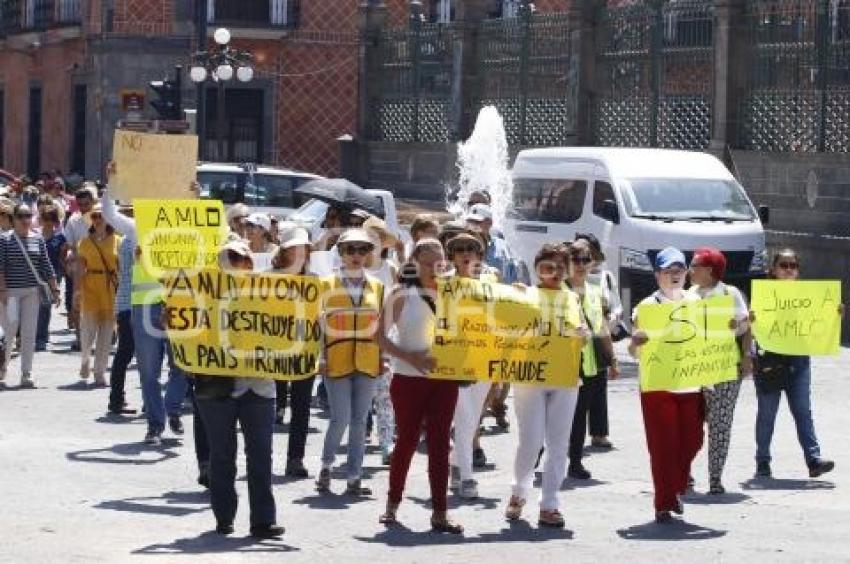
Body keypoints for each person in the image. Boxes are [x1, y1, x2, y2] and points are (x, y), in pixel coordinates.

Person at [192, 240, 284, 539]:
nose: (237, 263)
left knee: (261, 456)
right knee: (222, 456)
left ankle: (263, 520)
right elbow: (187, 333)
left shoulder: (266, 294)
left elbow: (288, 326)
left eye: (242, 258)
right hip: (216, 388)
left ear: (251, 263)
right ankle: (224, 517)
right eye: (230, 258)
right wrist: (174, 324)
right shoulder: (201, 296)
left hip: (259, 387)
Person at [377, 237, 463, 534]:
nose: (434, 269)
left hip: (445, 379)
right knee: (407, 441)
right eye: (428, 263)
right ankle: (392, 504)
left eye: (440, 263)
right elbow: (380, 336)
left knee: (440, 444)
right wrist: (409, 357)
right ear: (414, 263)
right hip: (408, 379)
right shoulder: (401, 293)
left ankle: (440, 512)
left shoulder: (454, 294)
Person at [104, 162, 188, 445]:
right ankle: (155, 423)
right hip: (144, 308)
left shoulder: (185, 228)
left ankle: (171, 408)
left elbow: (212, 231)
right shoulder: (137, 228)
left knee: (183, 365)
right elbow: (108, 213)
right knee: (148, 371)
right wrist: (111, 182)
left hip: (178, 305)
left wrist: (196, 199)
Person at [505, 243, 585, 528]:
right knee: (530, 440)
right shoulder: (523, 293)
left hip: (565, 377)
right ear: (537, 267)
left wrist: (582, 335)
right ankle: (518, 492)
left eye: (560, 267)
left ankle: (550, 503)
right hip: (530, 376)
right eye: (548, 266)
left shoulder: (572, 298)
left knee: (558, 444)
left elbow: (582, 332)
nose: (554, 272)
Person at [629, 247, 704, 523]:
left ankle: (676, 484)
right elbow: (635, 352)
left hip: (690, 383)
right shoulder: (647, 307)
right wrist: (636, 342)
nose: (674, 276)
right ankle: (664, 501)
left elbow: (712, 337)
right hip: (658, 386)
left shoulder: (697, 302)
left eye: (679, 270)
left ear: (686, 273)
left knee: (694, 440)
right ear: (657, 275)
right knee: (663, 446)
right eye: (667, 271)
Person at [752, 249, 841, 479]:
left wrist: (835, 313)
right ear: (773, 270)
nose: (789, 269)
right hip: (770, 360)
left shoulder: (809, 296)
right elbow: (750, 327)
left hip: (798, 361)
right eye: (784, 265)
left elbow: (821, 323)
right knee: (767, 414)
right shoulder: (763, 296)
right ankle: (762, 461)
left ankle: (813, 460)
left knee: (803, 411)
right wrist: (751, 320)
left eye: (793, 265)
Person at [316, 228, 384, 496]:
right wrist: (319, 357)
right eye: (350, 249)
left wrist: (383, 358)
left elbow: (382, 326)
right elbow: (316, 326)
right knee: (340, 418)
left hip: (367, 359)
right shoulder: (326, 284)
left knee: (360, 420)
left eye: (363, 249)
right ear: (341, 253)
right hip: (336, 357)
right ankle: (326, 466)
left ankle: (354, 476)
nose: (356, 255)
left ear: (369, 254)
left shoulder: (378, 286)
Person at [687, 247, 753, 494]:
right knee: (690, 425)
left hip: (725, 369)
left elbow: (747, 326)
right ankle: (686, 473)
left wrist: (746, 355)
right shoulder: (688, 295)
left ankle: (715, 477)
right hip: (694, 370)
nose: (690, 270)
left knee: (720, 424)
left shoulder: (730, 294)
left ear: (711, 270)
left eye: (695, 265)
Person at [565, 238, 619, 480]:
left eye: (585, 259)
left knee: (579, 414)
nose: (580, 264)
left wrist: (612, 357)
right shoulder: (558, 290)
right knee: (555, 415)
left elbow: (602, 327)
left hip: (588, 363)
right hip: (562, 362)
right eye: (575, 259)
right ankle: (539, 450)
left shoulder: (595, 291)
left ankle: (575, 462)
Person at [447, 232, 494, 499]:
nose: (466, 253)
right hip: (455, 360)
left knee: (473, 419)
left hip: (484, 359)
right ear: (452, 256)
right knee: (464, 419)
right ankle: (466, 477)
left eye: (472, 249)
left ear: (479, 256)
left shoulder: (491, 283)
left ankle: (455, 463)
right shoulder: (444, 285)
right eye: (460, 249)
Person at [268, 226, 316, 478]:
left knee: (302, 407)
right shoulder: (268, 278)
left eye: (304, 248)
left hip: (304, 352)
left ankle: (295, 458)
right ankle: (262, 455)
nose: (300, 253)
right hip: (272, 351)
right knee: (266, 404)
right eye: (295, 248)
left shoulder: (315, 281)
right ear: (284, 251)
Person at [0, 204, 60, 388]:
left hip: (32, 292)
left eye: (28, 216)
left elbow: (46, 265)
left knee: (28, 333)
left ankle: (27, 373)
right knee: (9, 331)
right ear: (13, 219)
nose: (25, 220)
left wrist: (55, 289)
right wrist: (2, 290)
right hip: (10, 293)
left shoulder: (38, 239)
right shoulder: (4, 239)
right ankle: (2, 368)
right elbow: (0, 267)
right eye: (21, 216)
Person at [576, 233, 624, 450]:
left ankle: (599, 433)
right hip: (578, 334)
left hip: (600, 331)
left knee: (598, 384)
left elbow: (616, 303)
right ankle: (572, 434)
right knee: (580, 388)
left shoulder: (606, 277)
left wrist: (614, 316)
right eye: (577, 255)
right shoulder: (571, 276)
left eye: (585, 255)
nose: (581, 260)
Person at [363, 215, 401, 466]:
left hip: (387, 337)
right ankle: (359, 438)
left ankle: (386, 442)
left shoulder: (392, 270)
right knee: (362, 395)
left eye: (377, 238)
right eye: (370, 238)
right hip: (359, 337)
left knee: (386, 395)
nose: (373, 243)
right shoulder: (356, 269)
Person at [73, 205, 120, 386]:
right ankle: (85, 359)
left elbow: (122, 267)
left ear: (108, 219)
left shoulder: (118, 240)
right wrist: (76, 291)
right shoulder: (84, 242)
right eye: (95, 217)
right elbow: (79, 268)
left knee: (107, 333)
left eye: (101, 216)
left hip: (110, 288)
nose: (98, 219)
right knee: (88, 331)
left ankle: (100, 371)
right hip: (90, 285)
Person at [103, 201, 137, 414]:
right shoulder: (134, 230)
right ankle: (117, 399)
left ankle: (116, 399)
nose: (127, 214)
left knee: (125, 353)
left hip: (127, 301)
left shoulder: (128, 235)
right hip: (134, 303)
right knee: (131, 353)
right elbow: (108, 213)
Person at [36, 205, 68, 352]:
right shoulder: (34, 236)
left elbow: (63, 258)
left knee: (45, 306)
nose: (48, 222)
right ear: (41, 220)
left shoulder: (60, 238)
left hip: (52, 275)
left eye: (51, 219)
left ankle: (42, 337)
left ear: (55, 220)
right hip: (34, 275)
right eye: (45, 218)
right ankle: (30, 336)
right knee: (33, 307)